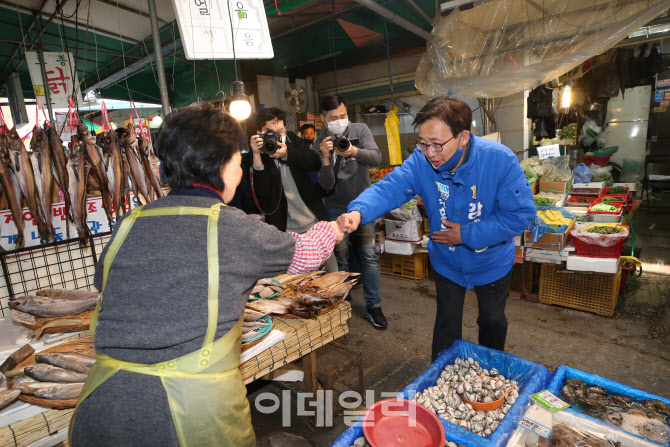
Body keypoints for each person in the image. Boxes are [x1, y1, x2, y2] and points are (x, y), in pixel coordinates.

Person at [70, 105, 350, 446]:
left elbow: (113, 292)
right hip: (185, 415)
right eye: (237, 158)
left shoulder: (129, 222)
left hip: (100, 405)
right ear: (223, 165)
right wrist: (333, 229)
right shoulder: (230, 226)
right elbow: (304, 253)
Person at [338, 96, 535, 359]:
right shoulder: (421, 161)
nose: (430, 153)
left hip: (491, 261)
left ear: (463, 137)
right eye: (423, 144)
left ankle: (490, 375)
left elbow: (520, 215)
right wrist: (357, 211)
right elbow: (391, 187)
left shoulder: (499, 160)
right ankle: (438, 376)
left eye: (437, 145)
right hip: (447, 261)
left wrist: (465, 234)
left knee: (492, 322)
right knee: (446, 323)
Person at [312, 94, 387, 330]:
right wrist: (325, 158)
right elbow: (324, 185)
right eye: (334, 118)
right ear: (324, 119)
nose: (340, 121)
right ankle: (345, 302)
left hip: (362, 205)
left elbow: (377, 157)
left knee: (368, 257)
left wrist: (354, 151)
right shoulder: (320, 140)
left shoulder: (360, 129)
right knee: (341, 257)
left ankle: (374, 305)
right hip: (334, 206)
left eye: (343, 116)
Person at [246, 107, 337, 272]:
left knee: (332, 272)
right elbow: (262, 194)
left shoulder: (292, 141)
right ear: (260, 132)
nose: (276, 136)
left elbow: (314, 162)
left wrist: (288, 154)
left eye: (280, 131)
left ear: (285, 129)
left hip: (313, 222)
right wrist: (257, 155)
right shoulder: (256, 154)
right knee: (296, 281)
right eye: (270, 132)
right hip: (284, 230)